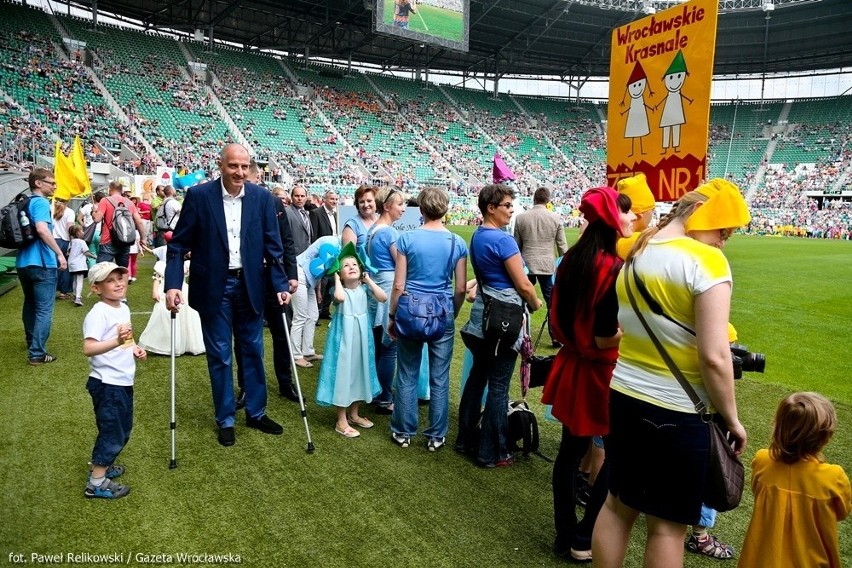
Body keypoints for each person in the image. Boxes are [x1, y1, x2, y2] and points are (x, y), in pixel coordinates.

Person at [592, 179, 751, 568]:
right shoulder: (705, 261)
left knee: (616, 506)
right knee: (668, 527)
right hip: (678, 411)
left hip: (625, 396)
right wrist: (732, 418)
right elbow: (714, 356)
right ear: (704, 217)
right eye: (723, 231)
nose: (722, 241)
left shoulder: (637, 251)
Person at [165, 143, 291, 447]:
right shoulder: (199, 196)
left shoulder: (262, 198)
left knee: (253, 350)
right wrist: (172, 284)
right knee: (220, 354)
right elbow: (178, 245)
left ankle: (256, 413)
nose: (240, 172)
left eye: (244, 166)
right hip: (214, 287)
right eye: (234, 166)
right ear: (221, 165)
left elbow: (274, 249)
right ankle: (226, 418)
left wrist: (281, 284)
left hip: (251, 286)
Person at [539, 187, 635, 562]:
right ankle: (582, 535)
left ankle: (566, 534)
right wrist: (625, 334)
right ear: (612, 219)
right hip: (600, 371)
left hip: (573, 364)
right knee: (613, 455)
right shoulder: (612, 267)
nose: (632, 218)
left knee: (569, 454)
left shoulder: (573, 259)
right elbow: (603, 333)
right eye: (626, 212)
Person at [455, 183, 543, 468]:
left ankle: (465, 439)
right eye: (506, 205)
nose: (511, 210)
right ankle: (492, 451)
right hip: (503, 321)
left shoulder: (479, 235)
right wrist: (536, 302)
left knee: (478, 377)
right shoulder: (503, 240)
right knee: (498, 385)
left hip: (483, 318)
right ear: (490, 207)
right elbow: (523, 283)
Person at [387, 187, 468, 450]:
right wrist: (452, 312)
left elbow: (399, 284)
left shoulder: (406, 238)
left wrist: (392, 315)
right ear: (445, 210)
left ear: (420, 209)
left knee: (407, 372)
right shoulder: (457, 242)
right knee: (440, 377)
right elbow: (460, 288)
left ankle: (403, 430)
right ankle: (436, 434)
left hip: (410, 311)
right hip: (441, 312)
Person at [738, 392, 851, 568]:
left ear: (778, 427)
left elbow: (756, 490)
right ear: (825, 436)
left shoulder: (762, 461)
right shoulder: (833, 477)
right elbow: (842, 512)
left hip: (761, 560)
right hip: (812, 561)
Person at [82, 262, 147, 499]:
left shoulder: (122, 308)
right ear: (97, 288)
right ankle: (96, 482)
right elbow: (88, 348)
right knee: (112, 431)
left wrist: (134, 348)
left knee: (121, 428)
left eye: (120, 277)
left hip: (122, 380)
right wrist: (117, 343)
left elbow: (125, 338)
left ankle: (104, 465)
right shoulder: (98, 313)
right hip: (107, 383)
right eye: (110, 280)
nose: (118, 283)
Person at [315, 244, 387, 438]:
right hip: (344, 339)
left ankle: (354, 414)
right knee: (344, 373)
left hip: (362, 338)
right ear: (340, 272)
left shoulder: (364, 289)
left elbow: (383, 296)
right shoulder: (339, 291)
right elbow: (339, 296)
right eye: (346, 266)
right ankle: (341, 420)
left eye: (355, 264)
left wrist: (369, 280)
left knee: (359, 371)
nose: (352, 267)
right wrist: (336, 279)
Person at [17, 168, 67, 365]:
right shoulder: (40, 202)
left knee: (30, 303)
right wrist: (60, 253)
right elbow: (42, 230)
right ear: (38, 183)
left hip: (23, 262)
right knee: (44, 309)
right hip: (42, 263)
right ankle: (37, 352)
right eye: (51, 182)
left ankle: (31, 341)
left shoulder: (25, 202)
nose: (54, 186)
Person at [366, 186, 407, 415]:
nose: (403, 209)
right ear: (387, 206)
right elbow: (400, 263)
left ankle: (377, 393)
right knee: (389, 348)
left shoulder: (374, 229)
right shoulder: (389, 233)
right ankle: (384, 397)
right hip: (388, 290)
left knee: (380, 348)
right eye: (399, 204)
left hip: (377, 290)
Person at [513, 186, 568, 347]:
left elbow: (516, 245)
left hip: (526, 264)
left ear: (534, 199)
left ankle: (519, 332)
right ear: (548, 200)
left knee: (521, 298)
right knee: (552, 302)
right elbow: (563, 247)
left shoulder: (521, 218)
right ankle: (555, 336)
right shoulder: (555, 217)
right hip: (546, 265)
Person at [138, 253, 204, 356]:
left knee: (186, 317)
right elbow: (157, 278)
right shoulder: (163, 264)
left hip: (183, 291)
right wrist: (155, 291)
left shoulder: (187, 263)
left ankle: (187, 343)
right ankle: (166, 344)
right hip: (166, 290)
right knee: (164, 317)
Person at [291, 235, 340, 368]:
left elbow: (319, 270)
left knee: (312, 315)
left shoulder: (340, 247)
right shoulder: (332, 242)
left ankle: (308, 351)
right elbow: (319, 266)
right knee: (300, 317)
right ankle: (296, 355)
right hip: (299, 275)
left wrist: (318, 290)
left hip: (311, 281)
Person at [92, 181, 147, 267]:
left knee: (102, 270)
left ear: (110, 189)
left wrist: (94, 211)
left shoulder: (105, 200)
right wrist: (143, 238)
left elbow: (97, 219)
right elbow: (139, 222)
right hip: (124, 239)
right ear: (121, 191)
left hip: (108, 240)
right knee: (122, 270)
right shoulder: (130, 203)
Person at [311, 190, 339, 319]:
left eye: (335, 199)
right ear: (325, 200)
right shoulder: (316, 213)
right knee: (321, 283)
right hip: (321, 254)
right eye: (331, 199)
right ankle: (316, 311)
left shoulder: (336, 215)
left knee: (332, 282)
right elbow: (314, 235)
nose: (334, 201)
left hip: (334, 253)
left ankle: (325, 310)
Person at [341, 184, 378, 248]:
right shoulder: (352, 226)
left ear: (376, 201)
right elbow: (348, 256)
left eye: (369, 201)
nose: (366, 205)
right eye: (361, 202)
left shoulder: (381, 221)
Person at [67, 224, 95, 307]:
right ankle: (78, 298)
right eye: (82, 230)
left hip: (71, 264)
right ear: (78, 233)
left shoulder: (71, 242)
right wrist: (94, 256)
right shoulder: (82, 242)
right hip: (79, 264)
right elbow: (86, 253)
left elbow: (68, 252)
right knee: (79, 280)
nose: (83, 232)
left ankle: (75, 295)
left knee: (75, 280)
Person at [52, 198, 75, 299]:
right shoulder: (69, 212)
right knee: (64, 267)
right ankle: (63, 292)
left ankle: (51, 291)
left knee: (52, 267)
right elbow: (70, 228)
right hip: (64, 241)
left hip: (51, 241)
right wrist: (72, 242)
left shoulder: (51, 209)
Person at [78, 191, 104, 267]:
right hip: (101, 233)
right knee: (102, 254)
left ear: (94, 198)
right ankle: (101, 272)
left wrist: (84, 226)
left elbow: (79, 218)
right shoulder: (104, 207)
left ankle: (93, 273)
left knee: (91, 255)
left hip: (90, 233)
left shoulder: (87, 207)